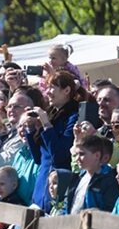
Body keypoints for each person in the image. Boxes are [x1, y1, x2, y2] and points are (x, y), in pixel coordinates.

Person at [26, 71, 80, 209]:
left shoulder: (74, 117)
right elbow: (38, 158)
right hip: (41, 186)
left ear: (67, 90)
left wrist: (46, 125)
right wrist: (31, 129)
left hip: (58, 188)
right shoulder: (51, 114)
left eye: (52, 88)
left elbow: (60, 156)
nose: (48, 92)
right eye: (47, 88)